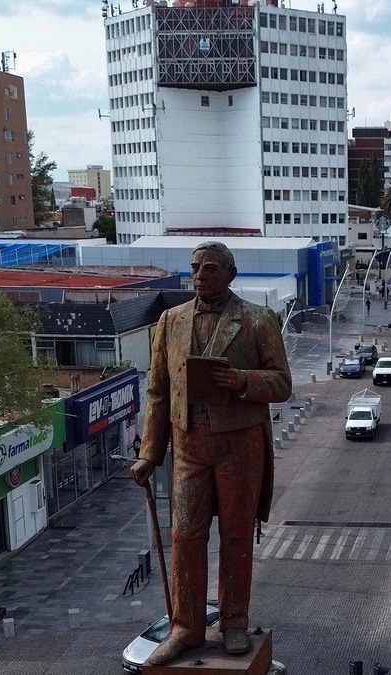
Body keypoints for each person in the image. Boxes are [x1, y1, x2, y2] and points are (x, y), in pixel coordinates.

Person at [130, 242, 292, 665]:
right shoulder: (171, 320)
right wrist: (150, 454)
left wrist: (241, 380)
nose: (200, 274)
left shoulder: (259, 320)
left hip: (239, 446)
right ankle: (186, 628)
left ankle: (234, 621)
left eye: (211, 268)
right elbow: (158, 392)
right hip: (189, 447)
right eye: (195, 267)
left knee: (236, 535)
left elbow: (282, 383)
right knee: (185, 535)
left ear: (231, 274)